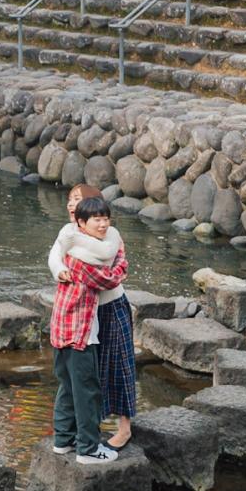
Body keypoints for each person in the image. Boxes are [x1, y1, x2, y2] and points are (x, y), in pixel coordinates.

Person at [48, 195, 126, 464]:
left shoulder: (70, 248)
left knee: (68, 387)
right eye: (97, 220)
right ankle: (88, 449)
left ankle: (63, 441)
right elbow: (111, 278)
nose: (103, 224)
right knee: (87, 391)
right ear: (81, 223)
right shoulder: (84, 260)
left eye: (106, 219)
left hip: (61, 329)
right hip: (79, 332)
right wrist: (121, 266)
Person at [67, 183, 136, 449]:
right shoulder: (70, 234)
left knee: (120, 364)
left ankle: (125, 428)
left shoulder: (108, 233)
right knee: (90, 370)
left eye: (77, 199)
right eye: (70, 200)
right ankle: (89, 425)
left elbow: (114, 269)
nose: (71, 204)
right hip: (85, 312)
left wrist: (115, 274)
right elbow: (63, 262)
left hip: (112, 306)